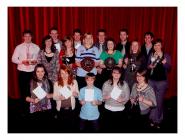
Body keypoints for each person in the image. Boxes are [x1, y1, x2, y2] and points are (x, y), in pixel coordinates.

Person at [12, 29, 40, 115]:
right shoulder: (19, 47)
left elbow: (39, 59)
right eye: (26, 36)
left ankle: (35, 108)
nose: (27, 38)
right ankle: (24, 110)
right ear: (23, 37)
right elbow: (13, 59)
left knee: (34, 91)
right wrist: (22, 62)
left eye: (29, 36)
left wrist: (36, 62)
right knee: (23, 91)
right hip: (23, 72)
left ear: (32, 37)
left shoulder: (36, 47)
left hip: (33, 72)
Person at [148, 38, 171, 129]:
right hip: (151, 81)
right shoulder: (151, 55)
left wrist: (165, 63)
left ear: (161, 46)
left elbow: (169, 68)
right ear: (153, 46)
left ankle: (158, 120)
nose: (157, 47)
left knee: (159, 101)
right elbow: (148, 66)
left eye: (158, 45)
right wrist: (150, 66)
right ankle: (152, 118)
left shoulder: (166, 55)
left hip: (162, 82)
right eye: (155, 45)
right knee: (152, 100)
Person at [25, 64, 53, 130]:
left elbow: (53, 94)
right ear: (35, 72)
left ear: (44, 72)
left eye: (42, 71)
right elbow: (25, 97)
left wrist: (50, 95)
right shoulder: (30, 82)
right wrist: (33, 100)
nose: (40, 73)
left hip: (46, 107)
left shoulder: (48, 81)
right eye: (38, 71)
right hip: (35, 107)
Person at [102, 67, 130, 132]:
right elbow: (102, 97)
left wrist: (122, 100)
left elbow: (127, 97)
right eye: (114, 73)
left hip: (119, 109)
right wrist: (106, 97)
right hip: (108, 108)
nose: (116, 74)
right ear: (112, 74)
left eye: (118, 73)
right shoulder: (106, 83)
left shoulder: (124, 84)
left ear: (121, 74)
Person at [53, 65, 79, 131]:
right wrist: (59, 97)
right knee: (61, 127)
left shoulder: (74, 82)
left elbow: (78, 95)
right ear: (59, 74)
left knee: (71, 126)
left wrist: (75, 94)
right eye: (62, 73)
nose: (64, 75)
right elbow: (54, 97)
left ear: (69, 73)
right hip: (61, 109)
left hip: (71, 108)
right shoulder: (56, 83)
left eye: (66, 73)